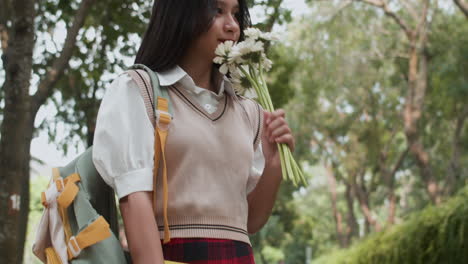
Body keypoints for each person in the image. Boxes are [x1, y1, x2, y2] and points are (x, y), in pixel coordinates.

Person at [92, 0, 296, 263]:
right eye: (217, 11)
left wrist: (273, 164)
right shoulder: (139, 90)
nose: (232, 26)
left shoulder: (249, 110)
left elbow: (249, 223)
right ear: (181, 14)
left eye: (236, 14)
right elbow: (134, 202)